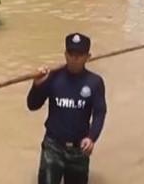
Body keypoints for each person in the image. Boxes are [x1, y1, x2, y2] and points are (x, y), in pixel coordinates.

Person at [27, 33, 107, 184]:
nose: (74, 58)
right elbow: (32, 105)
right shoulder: (52, 77)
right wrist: (36, 85)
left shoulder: (95, 82)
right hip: (53, 146)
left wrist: (92, 138)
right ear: (65, 54)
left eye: (79, 54)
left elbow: (100, 112)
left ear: (88, 56)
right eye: (71, 53)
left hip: (79, 149)